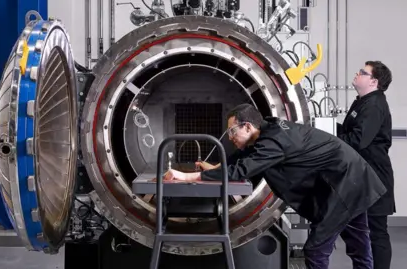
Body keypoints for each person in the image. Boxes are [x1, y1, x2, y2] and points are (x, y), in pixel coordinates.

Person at [164, 103, 387, 269]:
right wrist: (213, 168)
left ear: (248, 126)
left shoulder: (274, 142)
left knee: (316, 249)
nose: (230, 136)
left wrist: (186, 177)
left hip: (346, 185)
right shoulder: (268, 130)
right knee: (358, 243)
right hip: (353, 178)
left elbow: (242, 169)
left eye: (232, 131)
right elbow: (243, 156)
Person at [337, 61, 394, 269]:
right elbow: (347, 132)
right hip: (363, 177)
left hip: (375, 178)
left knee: (376, 231)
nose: (357, 73)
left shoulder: (375, 104)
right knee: (363, 230)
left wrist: (333, 139)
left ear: (373, 81)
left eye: (362, 72)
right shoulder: (362, 102)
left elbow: (358, 139)